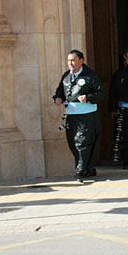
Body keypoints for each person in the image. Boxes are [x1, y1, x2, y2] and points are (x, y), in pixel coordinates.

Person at [53, 49, 104, 181]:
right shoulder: (66, 76)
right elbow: (59, 92)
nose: (71, 63)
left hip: (86, 116)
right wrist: (57, 98)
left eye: (73, 60)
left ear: (81, 61)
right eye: (69, 60)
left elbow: (100, 93)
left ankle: (81, 170)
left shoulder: (90, 76)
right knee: (73, 142)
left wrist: (88, 97)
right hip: (71, 116)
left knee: (82, 142)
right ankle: (87, 168)